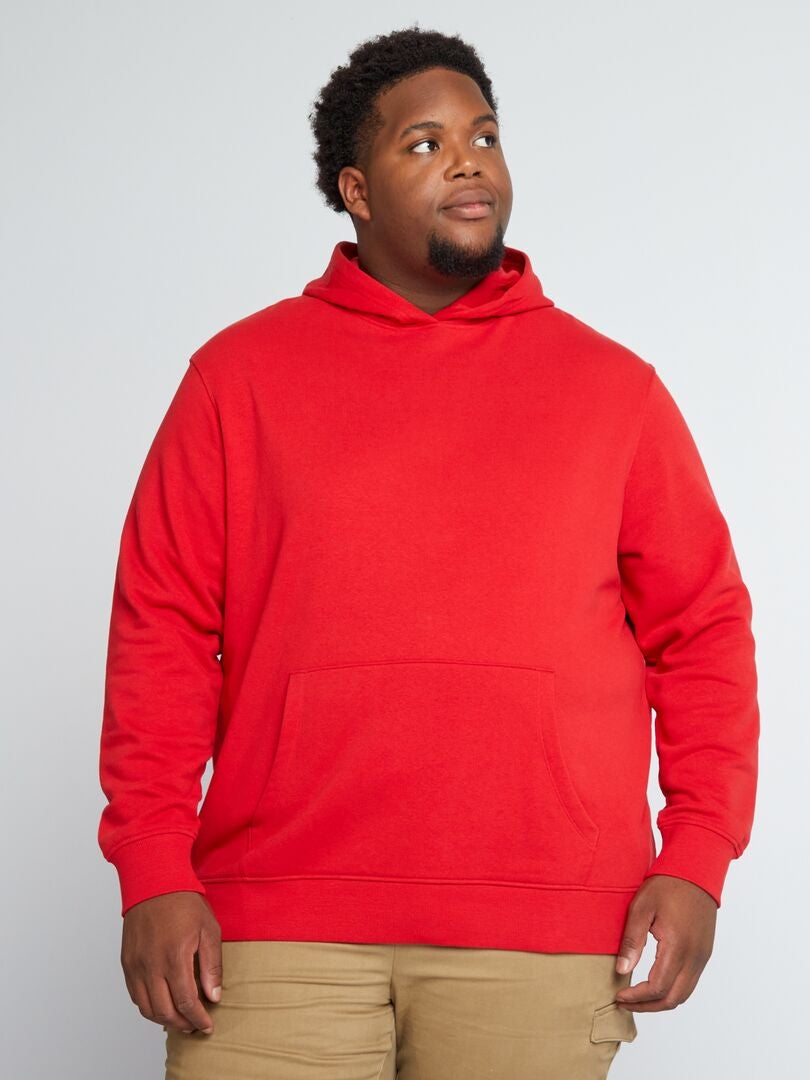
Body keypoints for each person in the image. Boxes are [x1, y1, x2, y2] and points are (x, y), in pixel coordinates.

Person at [97, 25, 760, 1080]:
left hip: (541, 933)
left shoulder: (613, 391)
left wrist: (697, 857)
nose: (467, 161)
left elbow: (704, 634)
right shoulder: (238, 379)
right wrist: (151, 868)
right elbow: (162, 631)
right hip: (273, 926)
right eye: (426, 143)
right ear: (355, 191)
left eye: (484, 136)